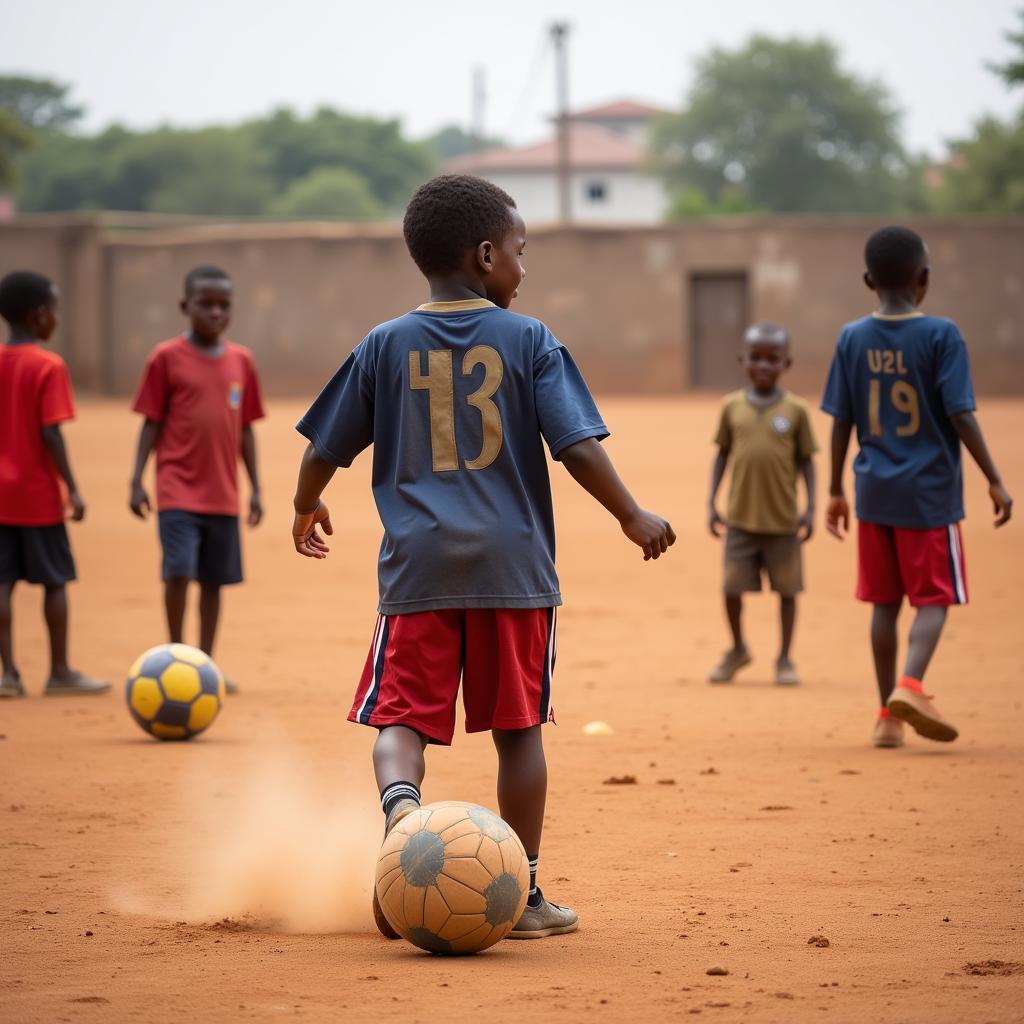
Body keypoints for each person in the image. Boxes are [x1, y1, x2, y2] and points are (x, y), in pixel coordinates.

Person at [291, 174, 675, 940]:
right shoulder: (530, 340)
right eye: (522, 254)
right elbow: (576, 447)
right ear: (488, 252)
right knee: (519, 730)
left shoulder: (384, 343)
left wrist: (306, 504)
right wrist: (633, 514)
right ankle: (525, 893)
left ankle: (402, 825)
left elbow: (323, 446)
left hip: (418, 570)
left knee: (399, 722)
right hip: (514, 572)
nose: (525, 271)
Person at [822, 225, 1012, 748]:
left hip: (873, 492)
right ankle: (910, 684)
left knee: (885, 605)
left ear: (868, 280)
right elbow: (961, 415)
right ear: (923, 277)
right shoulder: (942, 335)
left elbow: (841, 419)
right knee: (935, 598)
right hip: (929, 495)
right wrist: (994, 479)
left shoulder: (852, 337)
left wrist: (836, 488)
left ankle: (887, 717)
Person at [129, 266, 265, 692]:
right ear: (185, 307)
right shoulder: (165, 358)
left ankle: (204, 666)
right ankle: (174, 657)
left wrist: (256, 487)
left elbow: (245, 429)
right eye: (206, 304)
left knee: (213, 582)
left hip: (222, 494)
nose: (215, 313)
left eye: (224, 306)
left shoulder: (241, 360)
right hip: (176, 490)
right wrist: (137, 478)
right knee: (179, 572)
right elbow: (150, 422)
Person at [0, 270, 107, 697]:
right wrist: (73, 488)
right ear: (39, 314)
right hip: (37, 494)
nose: (57, 319)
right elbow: (50, 433)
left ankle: (8, 675)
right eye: (55, 310)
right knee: (54, 581)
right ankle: (59, 671)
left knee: (3, 583)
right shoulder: (47, 365)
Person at [707, 323, 817, 686]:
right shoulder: (731, 406)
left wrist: (812, 508)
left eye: (773, 359)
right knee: (731, 589)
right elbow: (722, 454)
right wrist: (712, 502)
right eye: (756, 358)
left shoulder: (796, 410)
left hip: (783, 520)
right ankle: (738, 648)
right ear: (743, 360)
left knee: (787, 591)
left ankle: (785, 658)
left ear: (787, 362)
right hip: (740, 519)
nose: (765, 365)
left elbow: (806, 461)